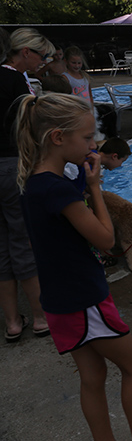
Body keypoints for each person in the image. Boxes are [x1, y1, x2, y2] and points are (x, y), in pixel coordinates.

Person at [15, 92, 132, 441]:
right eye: (88, 137)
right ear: (58, 138)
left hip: (57, 297)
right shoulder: (61, 190)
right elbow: (107, 241)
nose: (94, 145)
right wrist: (95, 187)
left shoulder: (34, 183)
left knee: (92, 376)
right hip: (84, 298)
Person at [0, 27, 54, 342]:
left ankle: (11, 322)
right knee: (22, 240)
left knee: (2, 245)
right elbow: (32, 127)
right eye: (41, 55)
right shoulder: (15, 81)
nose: (42, 62)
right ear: (25, 52)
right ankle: (39, 316)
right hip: (10, 167)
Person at [62, 46, 95, 110]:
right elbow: (64, 98)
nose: (77, 66)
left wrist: (92, 108)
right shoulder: (65, 78)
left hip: (87, 109)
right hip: (75, 110)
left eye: (79, 63)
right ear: (66, 61)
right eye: (73, 63)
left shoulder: (85, 76)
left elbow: (90, 95)